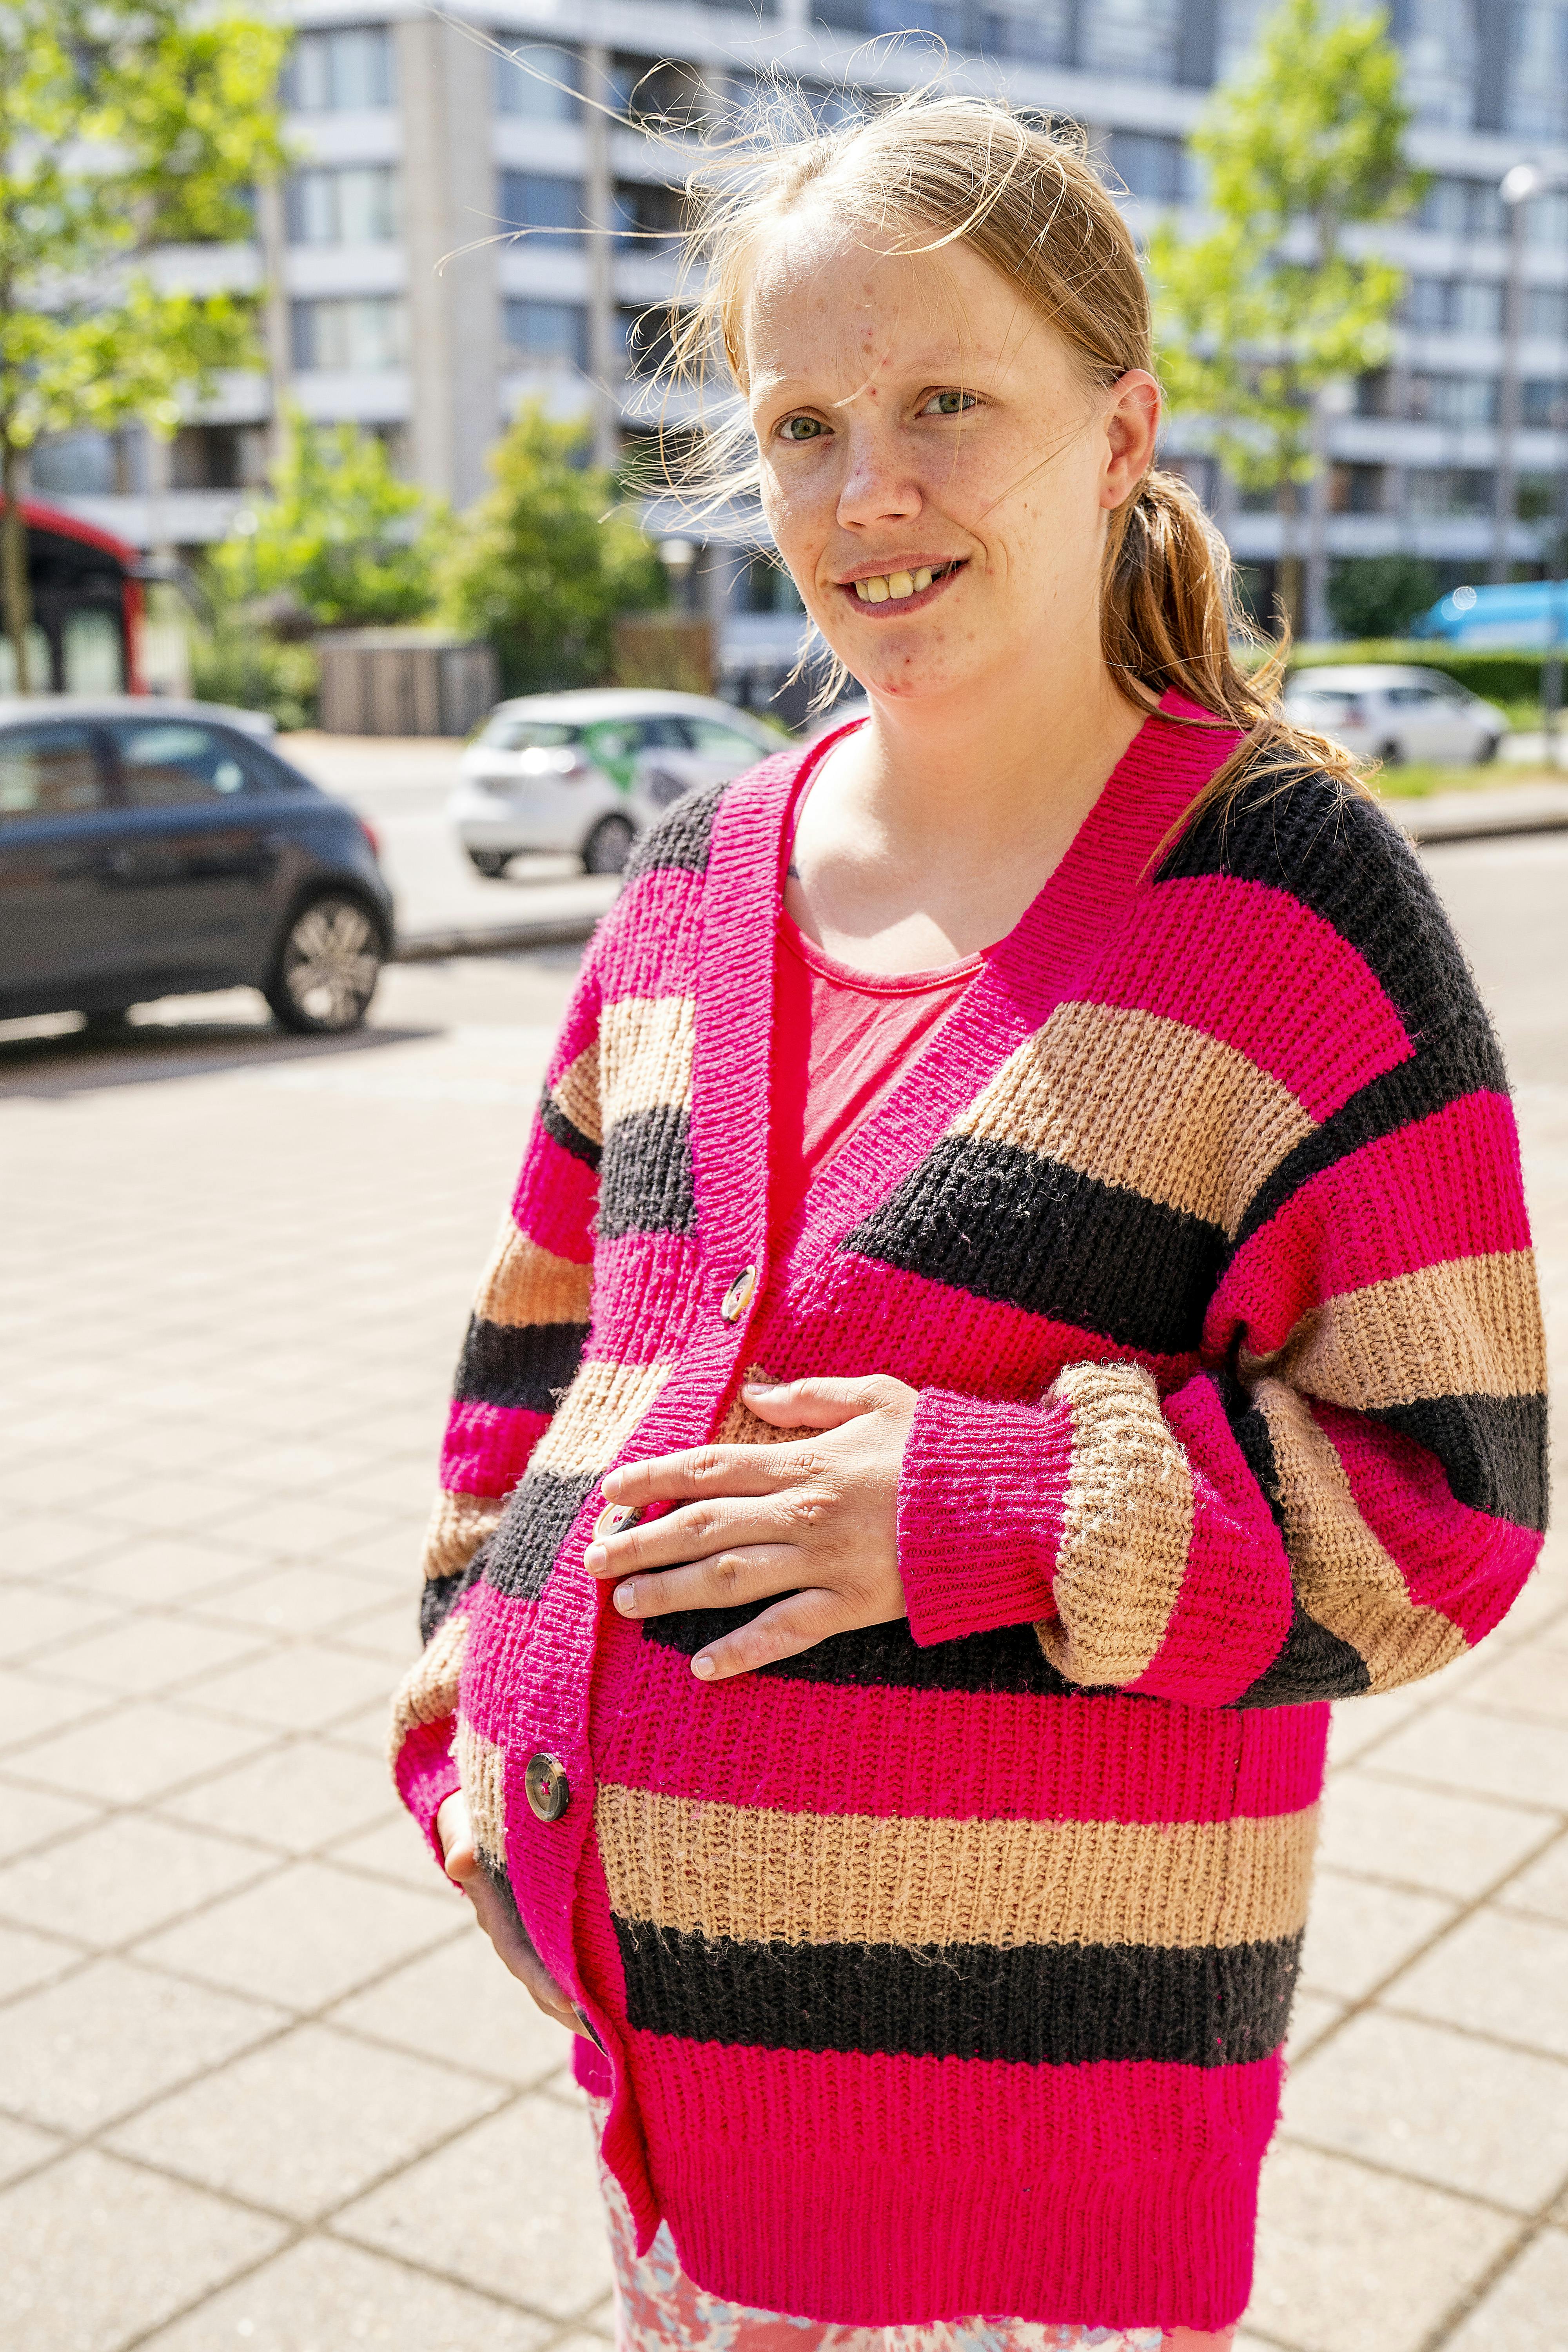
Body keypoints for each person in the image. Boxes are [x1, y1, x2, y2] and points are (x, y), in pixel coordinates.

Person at [388, 93, 1547, 2352]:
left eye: (946, 404)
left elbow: (1456, 1514)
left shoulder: (1287, 905)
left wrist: (993, 1508)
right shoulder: (696, 884)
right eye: (804, 419)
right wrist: (471, 1718)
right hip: (664, 2159)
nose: (866, 492)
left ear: (1122, 430)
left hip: (1022, 2231)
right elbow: (532, 1368)